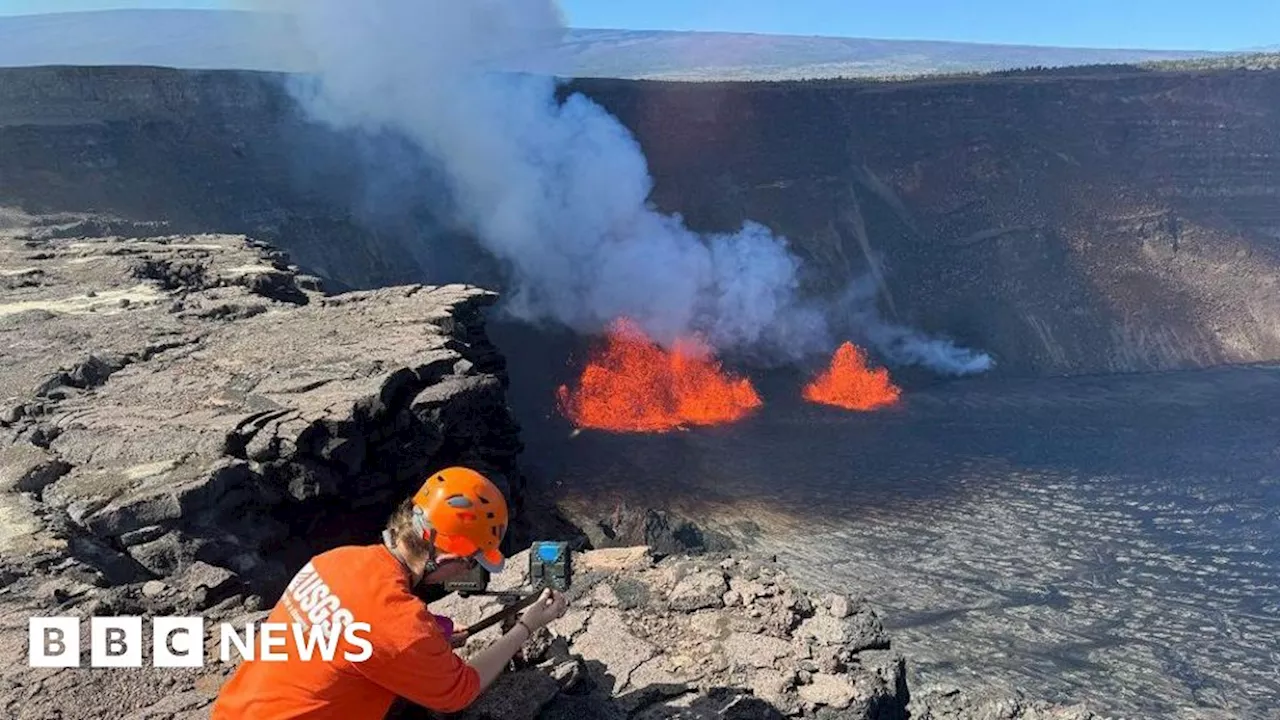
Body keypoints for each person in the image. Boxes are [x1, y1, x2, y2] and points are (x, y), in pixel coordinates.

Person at [210, 465, 569, 719]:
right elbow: (461, 691)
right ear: (447, 556)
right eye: (470, 562)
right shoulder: (401, 630)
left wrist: (434, 632)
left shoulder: (333, 560)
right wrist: (526, 626)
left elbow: (354, 622)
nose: (467, 571)